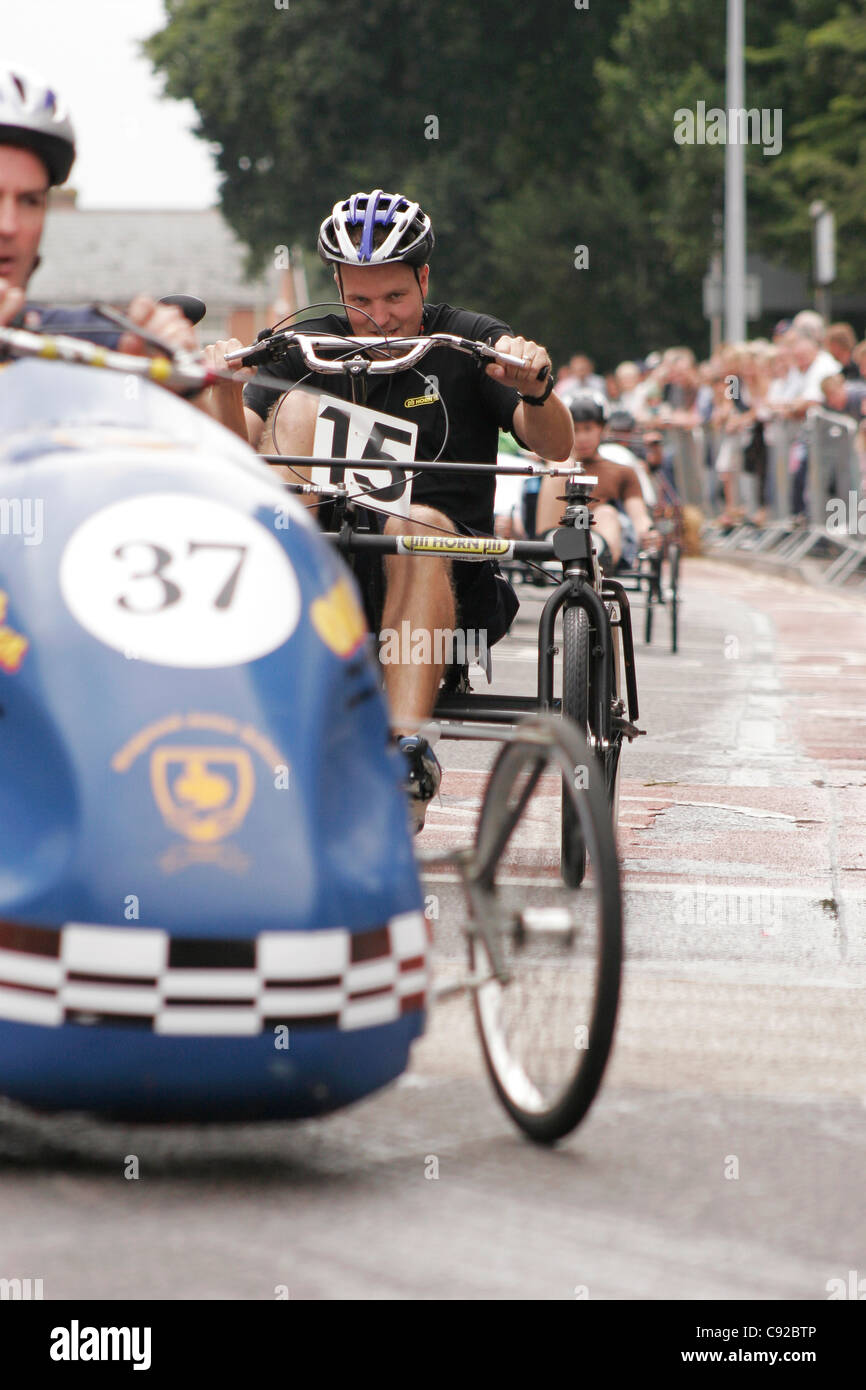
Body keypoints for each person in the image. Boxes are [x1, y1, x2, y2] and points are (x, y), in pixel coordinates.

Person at [241, 189, 573, 828]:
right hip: (333, 574)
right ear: (337, 286)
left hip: (448, 572)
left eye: (394, 298)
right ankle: (284, 682)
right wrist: (209, 390)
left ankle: (403, 756)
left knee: (411, 526)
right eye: (359, 301)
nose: (379, 318)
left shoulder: (469, 338)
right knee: (298, 407)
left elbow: (556, 446)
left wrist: (536, 388)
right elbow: (236, 443)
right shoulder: (308, 342)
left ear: (424, 279)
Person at [534, 393, 658, 569]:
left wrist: (649, 533)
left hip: (602, 541)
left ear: (602, 429)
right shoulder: (553, 466)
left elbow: (639, 517)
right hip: (559, 536)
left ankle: (597, 564)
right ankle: (551, 555)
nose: (582, 437)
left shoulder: (623, 471)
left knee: (606, 512)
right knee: (559, 468)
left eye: (588, 428)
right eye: (575, 430)